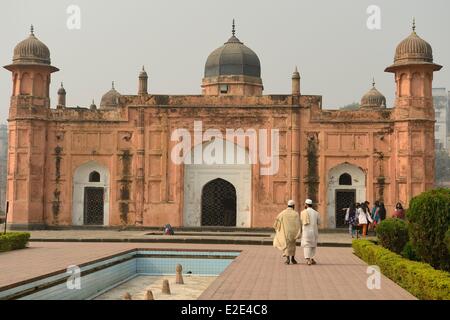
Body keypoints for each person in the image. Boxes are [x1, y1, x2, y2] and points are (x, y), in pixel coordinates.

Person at [273, 200, 301, 265]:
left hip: (285, 232)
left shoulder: (282, 213)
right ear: (293, 206)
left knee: (287, 245)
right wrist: (298, 232)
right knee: (293, 245)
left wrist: (277, 228)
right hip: (293, 232)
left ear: (287, 205)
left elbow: (277, 220)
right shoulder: (296, 214)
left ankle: (288, 259)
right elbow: (298, 224)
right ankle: (293, 259)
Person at [300, 199, 321, 265]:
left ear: (306, 205)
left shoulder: (303, 212)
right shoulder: (316, 213)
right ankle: (312, 258)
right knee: (313, 245)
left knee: (306, 245)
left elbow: (301, 221)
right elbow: (319, 222)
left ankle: (308, 259)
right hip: (314, 231)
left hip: (306, 231)